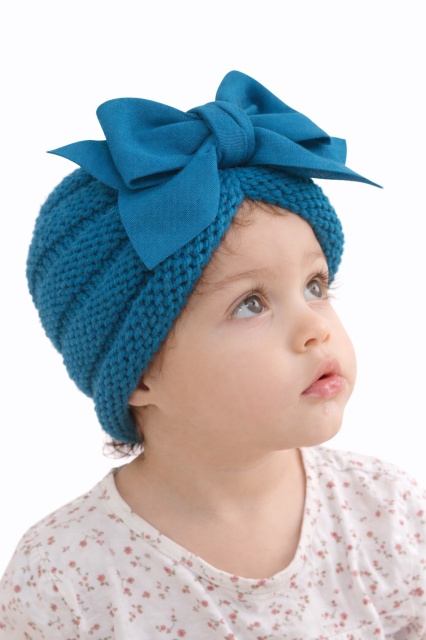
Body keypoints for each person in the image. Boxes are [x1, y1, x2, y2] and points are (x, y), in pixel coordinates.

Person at [1, 70, 425, 639]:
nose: (315, 329)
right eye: (251, 304)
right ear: (139, 374)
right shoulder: (64, 576)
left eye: (315, 286)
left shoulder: (386, 514)